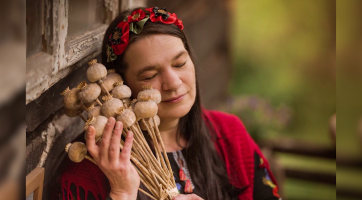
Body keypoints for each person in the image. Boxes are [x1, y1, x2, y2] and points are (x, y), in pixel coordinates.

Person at [58, 7, 281, 200]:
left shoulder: (229, 133)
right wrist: (122, 193)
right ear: (118, 87)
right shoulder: (87, 168)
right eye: (149, 76)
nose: (173, 83)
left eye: (180, 63)